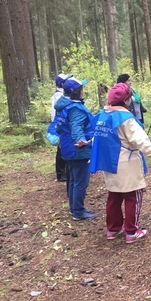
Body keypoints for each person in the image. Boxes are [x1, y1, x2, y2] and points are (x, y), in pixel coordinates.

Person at [90, 83, 151, 243]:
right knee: (133, 196)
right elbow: (139, 140)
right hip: (126, 162)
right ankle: (132, 231)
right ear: (125, 100)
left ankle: (113, 228)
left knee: (114, 196)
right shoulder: (126, 119)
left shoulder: (103, 115)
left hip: (109, 162)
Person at [53, 76, 96, 220]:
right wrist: (81, 140)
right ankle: (78, 211)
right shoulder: (75, 109)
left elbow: (58, 126)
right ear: (77, 91)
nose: (83, 90)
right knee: (80, 181)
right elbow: (76, 127)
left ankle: (74, 208)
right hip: (78, 150)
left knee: (72, 179)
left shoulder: (63, 106)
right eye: (81, 88)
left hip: (66, 147)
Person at [51, 73, 69, 182]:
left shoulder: (61, 95)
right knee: (61, 149)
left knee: (62, 148)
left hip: (60, 124)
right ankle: (61, 173)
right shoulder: (58, 97)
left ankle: (63, 172)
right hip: (60, 125)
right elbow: (55, 113)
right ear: (62, 83)